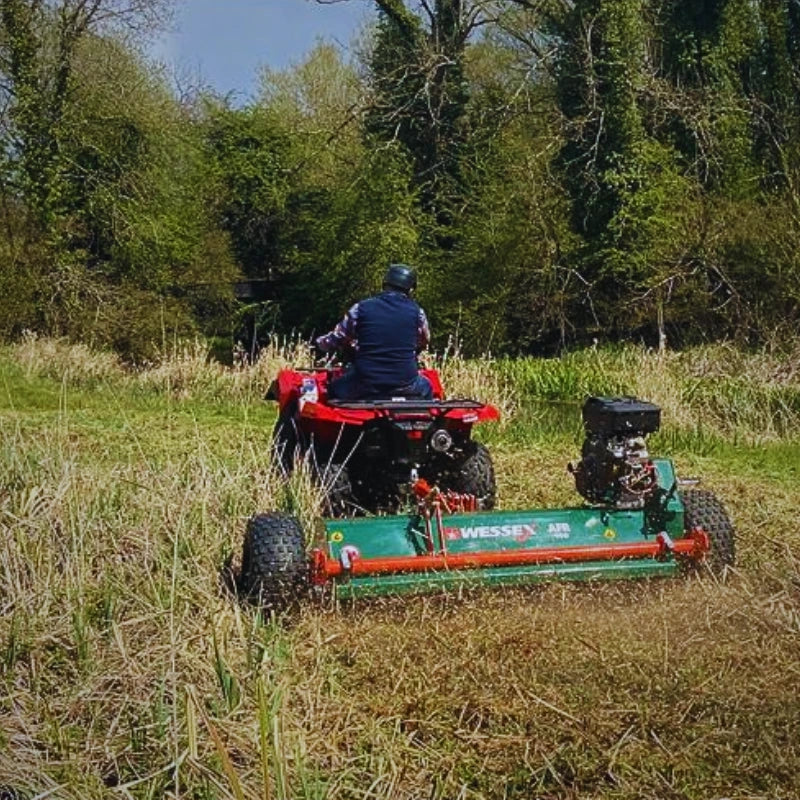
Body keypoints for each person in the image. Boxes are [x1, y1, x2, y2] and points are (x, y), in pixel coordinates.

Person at [315, 264, 433, 401]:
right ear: (411, 289)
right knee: (428, 388)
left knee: (333, 389)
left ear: (385, 284)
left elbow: (339, 336)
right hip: (406, 383)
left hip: (365, 383)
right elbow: (424, 340)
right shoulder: (417, 312)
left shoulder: (361, 308)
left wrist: (320, 344)